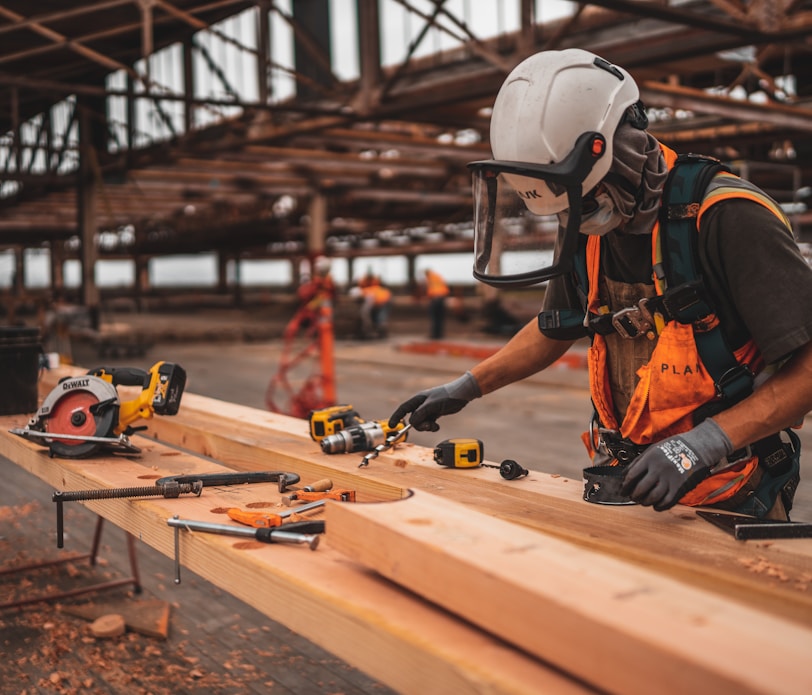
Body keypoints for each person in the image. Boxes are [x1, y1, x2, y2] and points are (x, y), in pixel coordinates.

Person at [389, 49, 812, 520]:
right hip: (626, 481)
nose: (579, 217)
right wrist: (467, 386)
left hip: (731, 488)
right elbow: (557, 326)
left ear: (621, 150)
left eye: (587, 200)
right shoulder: (584, 224)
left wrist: (705, 443)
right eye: (571, 207)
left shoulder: (725, 216)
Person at [424, 268, 449, 339]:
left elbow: (430, 289)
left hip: (435, 299)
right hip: (442, 298)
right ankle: (439, 334)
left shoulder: (430, 278)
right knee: (440, 317)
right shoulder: (438, 276)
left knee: (434, 317)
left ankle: (435, 335)